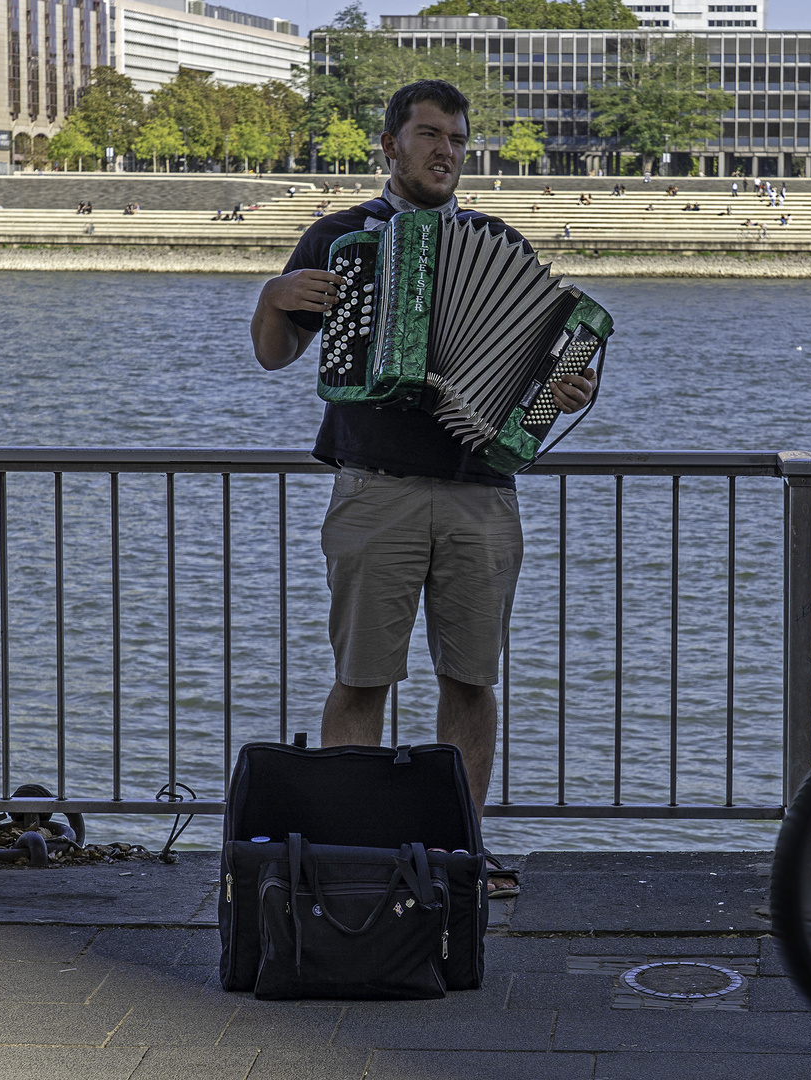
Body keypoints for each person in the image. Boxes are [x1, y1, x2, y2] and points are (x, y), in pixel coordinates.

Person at [248, 80, 597, 901]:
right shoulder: (339, 240)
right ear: (391, 146)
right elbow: (275, 355)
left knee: (471, 681)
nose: (447, 152)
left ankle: (459, 853)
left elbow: (546, 377)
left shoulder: (495, 240)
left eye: (458, 140)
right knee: (363, 677)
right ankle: (353, 855)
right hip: (378, 492)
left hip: (482, 496)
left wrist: (567, 391)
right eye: (431, 135)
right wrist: (271, 298)